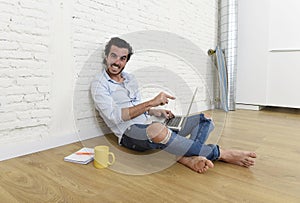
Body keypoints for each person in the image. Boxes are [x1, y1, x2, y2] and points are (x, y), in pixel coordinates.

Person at [91, 37, 256, 173]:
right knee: (158, 129)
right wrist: (151, 102)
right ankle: (221, 153)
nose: (117, 62)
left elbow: (138, 108)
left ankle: (187, 157)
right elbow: (114, 117)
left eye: (123, 58)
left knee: (205, 119)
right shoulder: (99, 84)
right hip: (129, 134)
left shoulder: (130, 79)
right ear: (106, 57)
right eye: (113, 56)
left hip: (151, 124)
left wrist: (155, 110)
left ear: (126, 60)